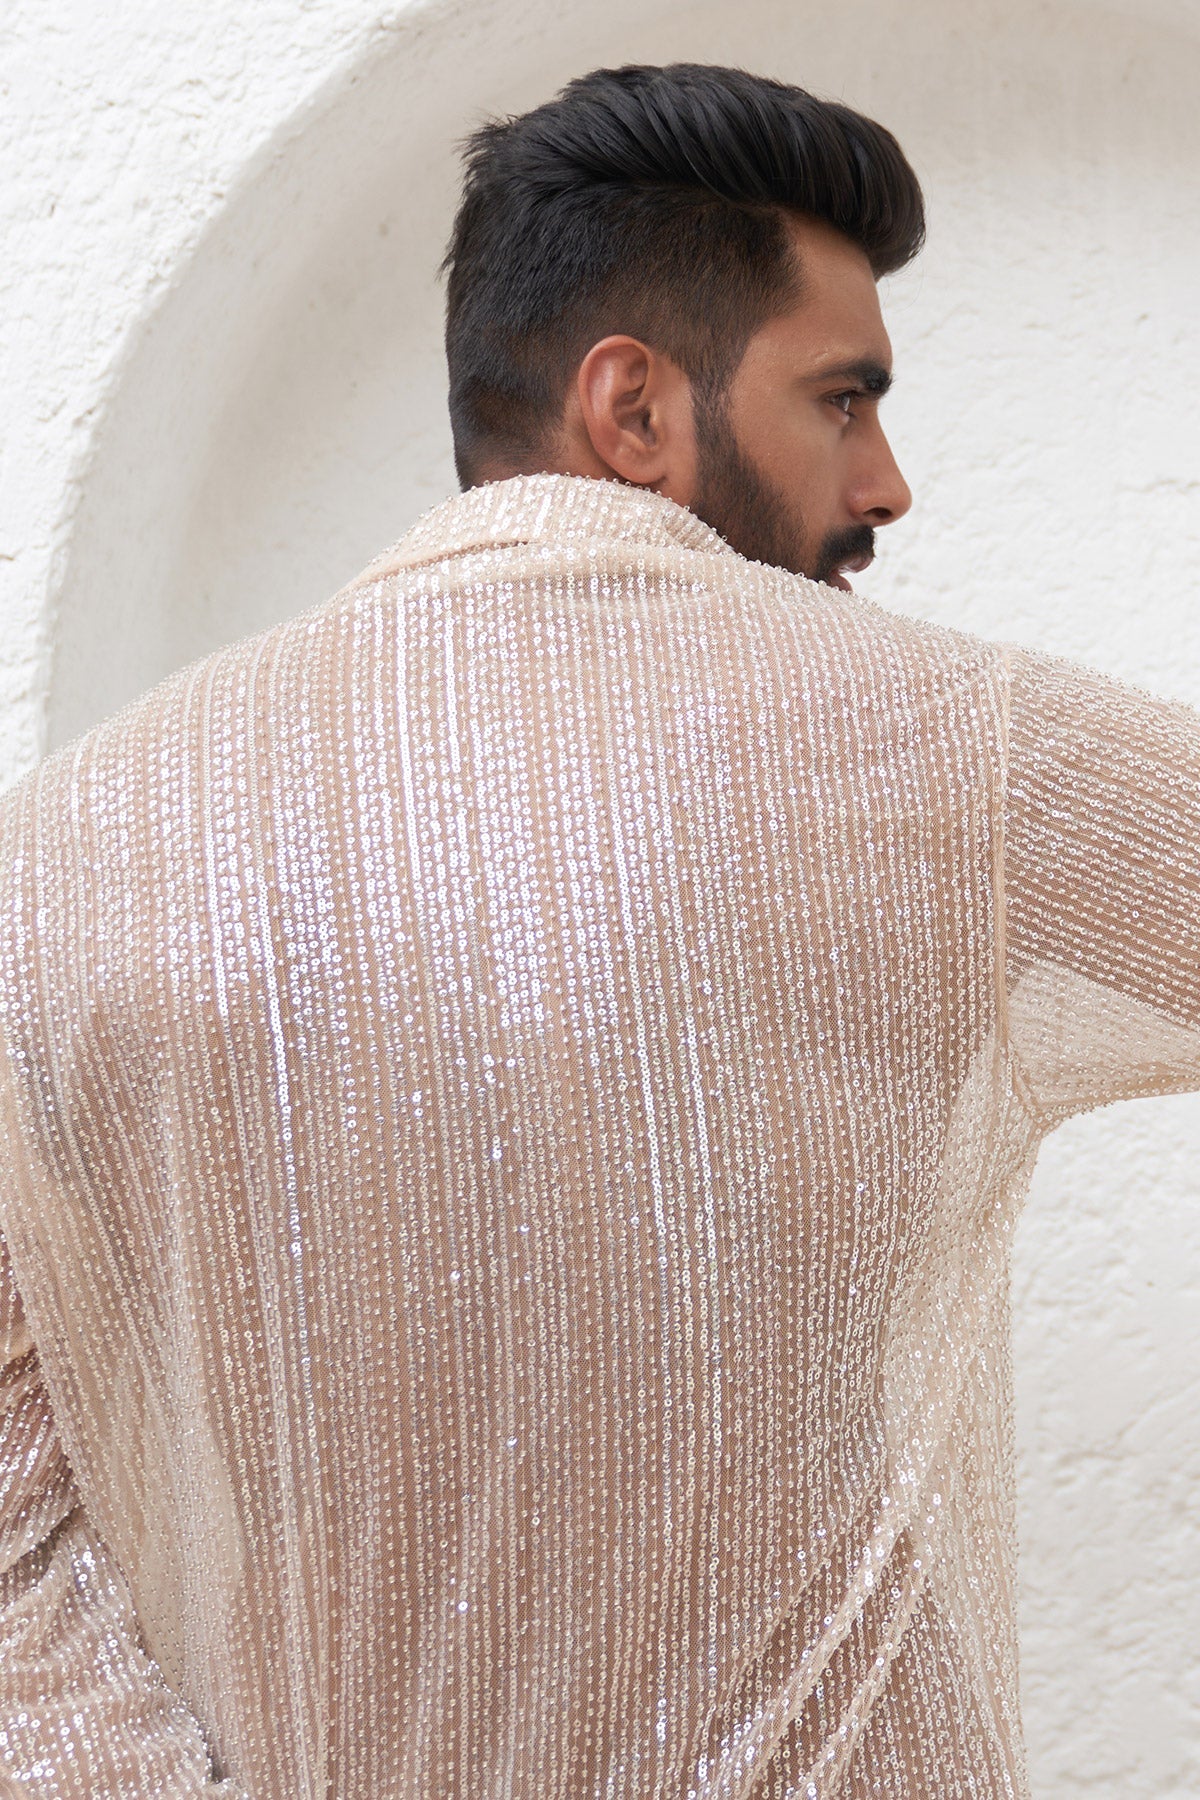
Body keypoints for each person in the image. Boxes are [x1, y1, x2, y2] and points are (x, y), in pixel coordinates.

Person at [0, 59, 1195, 1800]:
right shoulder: (939, 755)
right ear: (633, 407)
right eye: (843, 401)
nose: (886, 484)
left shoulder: (61, 851)